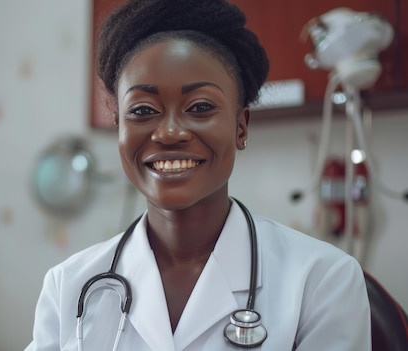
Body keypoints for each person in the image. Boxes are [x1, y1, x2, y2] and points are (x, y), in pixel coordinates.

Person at [25, 0, 371, 349]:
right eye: (143, 110)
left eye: (200, 107)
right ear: (119, 129)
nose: (169, 132)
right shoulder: (68, 286)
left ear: (241, 126)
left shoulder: (323, 279)